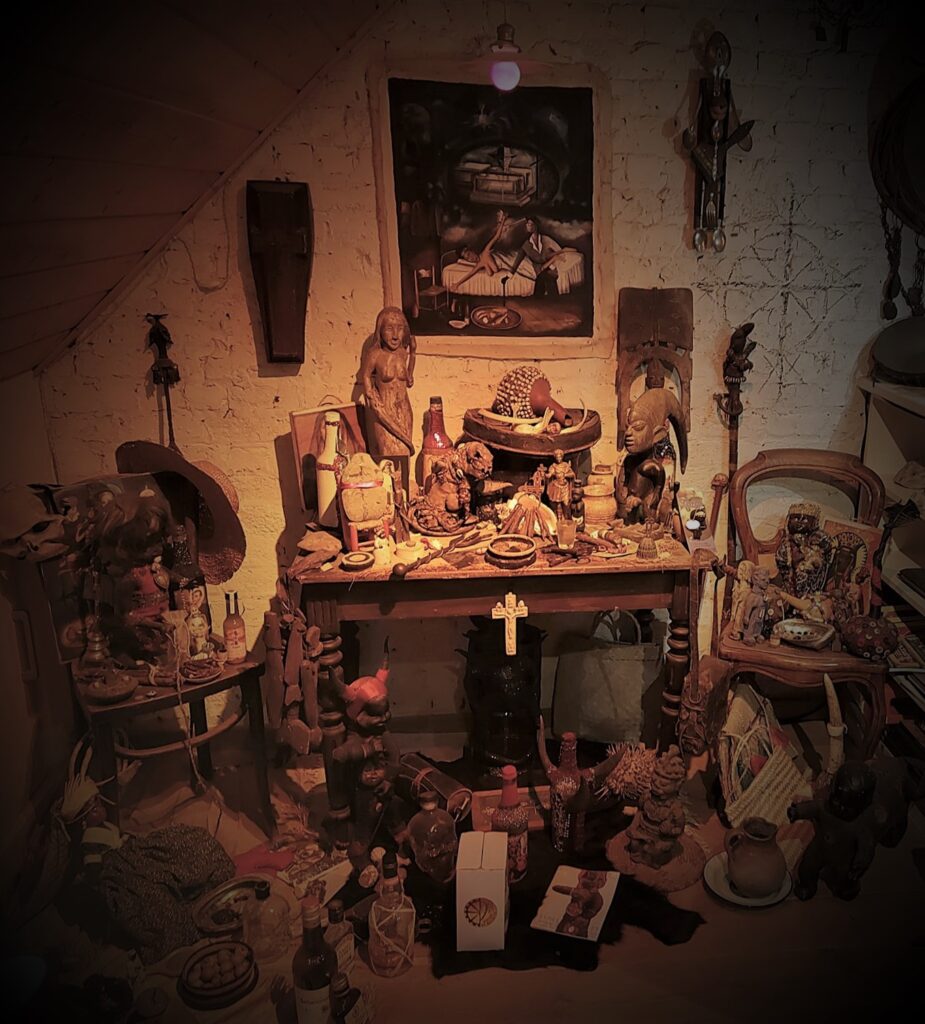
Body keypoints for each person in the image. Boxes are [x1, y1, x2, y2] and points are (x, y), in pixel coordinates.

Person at [360, 307, 416, 460]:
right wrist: (370, 394)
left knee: (404, 452)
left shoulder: (403, 353)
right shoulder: (375, 354)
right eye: (389, 329)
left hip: (404, 410)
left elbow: (409, 377)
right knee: (387, 453)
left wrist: (413, 353)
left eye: (400, 328)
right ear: (380, 330)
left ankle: (405, 476)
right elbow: (366, 375)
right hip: (384, 411)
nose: (395, 335)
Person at [509, 217, 568, 297]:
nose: (528, 226)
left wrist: (556, 263)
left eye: (531, 224)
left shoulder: (546, 239)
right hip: (540, 271)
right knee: (543, 280)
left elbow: (559, 251)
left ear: (536, 226)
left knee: (547, 280)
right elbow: (518, 259)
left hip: (551, 268)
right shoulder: (526, 245)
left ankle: (549, 299)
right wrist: (511, 273)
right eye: (527, 224)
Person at [454, 209, 508, 288]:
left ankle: (500, 219)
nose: (471, 258)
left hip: (505, 260)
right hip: (491, 262)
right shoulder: (480, 263)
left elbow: (496, 237)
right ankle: (499, 220)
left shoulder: (485, 251)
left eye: (469, 254)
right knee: (488, 268)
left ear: (472, 251)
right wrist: (457, 284)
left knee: (489, 262)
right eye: (468, 259)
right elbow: (470, 274)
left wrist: (503, 221)